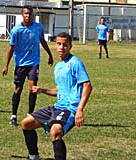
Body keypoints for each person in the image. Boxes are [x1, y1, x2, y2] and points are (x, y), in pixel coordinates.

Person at [21, 32, 92, 160]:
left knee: (56, 130)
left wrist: (80, 110)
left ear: (70, 46)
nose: (61, 47)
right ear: (55, 45)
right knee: (26, 123)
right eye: (59, 44)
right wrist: (42, 90)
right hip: (57, 107)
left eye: (65, 45)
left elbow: (87, 85)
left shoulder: (75, 62)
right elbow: (59, 91)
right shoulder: (58, 66)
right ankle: (33, 156)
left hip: (69, 109)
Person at [2, 5, 53, 126]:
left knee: (33, 88)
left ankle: (31, 115)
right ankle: (13, 116)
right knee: (18, 89)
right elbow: (11, 48)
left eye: (30, 14)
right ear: (22, 15)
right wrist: (6, 65)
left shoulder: (38, 27)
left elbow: (42, 41)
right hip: (20, 63)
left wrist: (50, 54)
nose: (28, 16)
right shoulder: (16, 30)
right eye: (26, 14)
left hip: (34, 63)